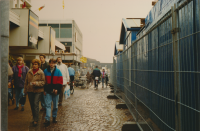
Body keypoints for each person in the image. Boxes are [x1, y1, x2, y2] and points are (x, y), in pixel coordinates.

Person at [24, 59, 45, 126]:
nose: (34, 65)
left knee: (36, 104)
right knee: (32, 105)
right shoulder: (29, 71)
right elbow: (26, 82)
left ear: (38, 65)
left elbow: (43, 82)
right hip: (30, 90)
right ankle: (34, 117)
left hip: (38, 91)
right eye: (33, 64)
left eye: (36, 64)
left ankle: (36, 120)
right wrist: (25, 90)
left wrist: (36, 83)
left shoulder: (41, 72)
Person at [43, 58, 63, 126]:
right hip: (48, 91)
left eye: (53, 63)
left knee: (55, 105)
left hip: (55, 91)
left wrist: (57, 89)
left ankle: (54, 117)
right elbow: (44, 81)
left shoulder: (58, 71)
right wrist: (44, 90)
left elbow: (60, 81)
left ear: (55, 64)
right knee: (48, 105)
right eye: (51, 63)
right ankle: (47, 119)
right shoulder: (45, 71)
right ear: (49, 63)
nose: (52, 64)